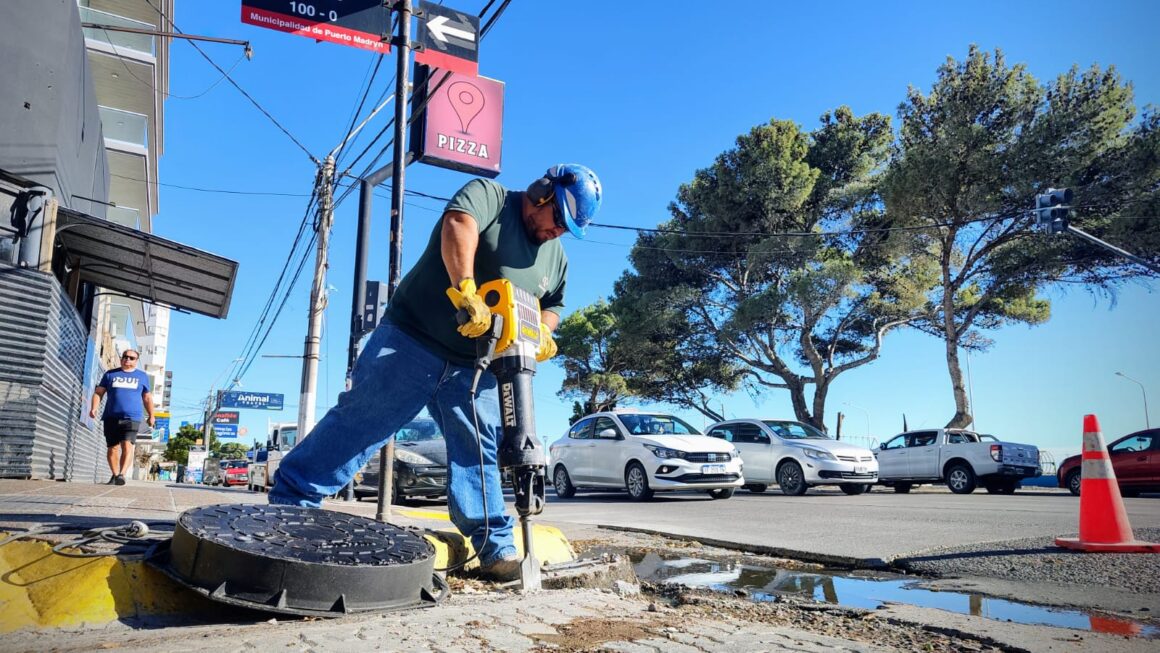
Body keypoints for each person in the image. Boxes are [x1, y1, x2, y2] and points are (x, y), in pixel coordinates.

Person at [271, 164, 602, 581]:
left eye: (568, 229)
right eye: (558, 219)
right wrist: (466, 288)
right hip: (412, 338)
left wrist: (543, 331)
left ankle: (495, 549)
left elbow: (553, 303)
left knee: (479, 448)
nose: (558, 231)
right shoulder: (491, 197)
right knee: (362, 419)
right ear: (542, 193)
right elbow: (458, 224)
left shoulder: (556, 256)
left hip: (475, 363)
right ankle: (291, 505)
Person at [89, 349, 155, 485]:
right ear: (121, 358)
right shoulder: (110, 374)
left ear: (136, 361)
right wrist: (94, 408)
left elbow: (147, 397)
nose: (127, 359)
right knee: (112, 448)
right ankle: (115, 475)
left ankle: (122, 474)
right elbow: (98, 392)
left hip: (132, 417)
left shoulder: (142, 376)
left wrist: (151, 415)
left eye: (131, 358)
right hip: (111, 416)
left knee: (127, 445)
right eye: (125, 357)